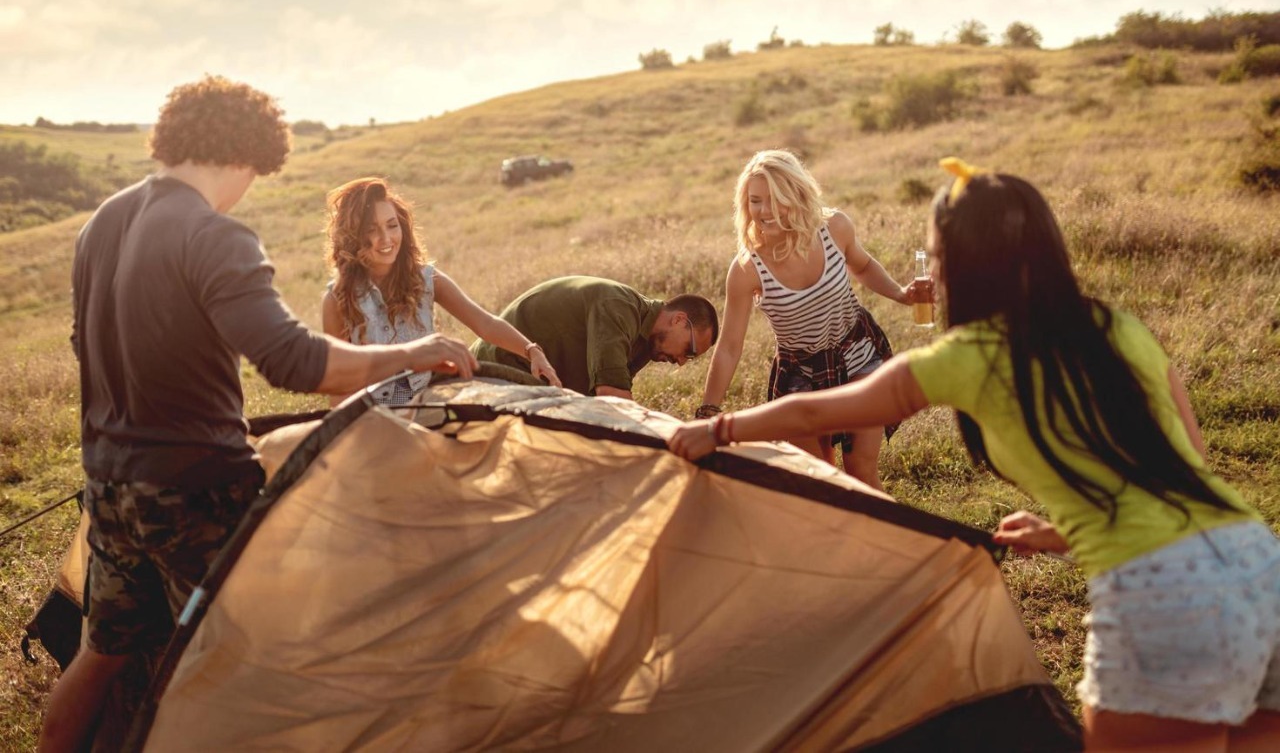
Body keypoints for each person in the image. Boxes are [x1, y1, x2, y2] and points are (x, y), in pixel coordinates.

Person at [669, 158, 1280, 751]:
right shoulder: (1117, 326)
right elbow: (1188, 470)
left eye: (937, 254)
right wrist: (1066, 529)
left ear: (961, 265)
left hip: (1166, 596)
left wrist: (718, 430)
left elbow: (812, 412)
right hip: (1256, 561)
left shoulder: (968, 357)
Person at [41, 76, 478, 753]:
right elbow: (293, 360)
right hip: (196, 489)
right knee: (261, 658)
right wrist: (419, 351)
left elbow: (83, 345)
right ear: (244, 153)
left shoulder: (103, 222)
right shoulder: (216, 234)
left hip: (108, 485)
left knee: (105, 653)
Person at [696, 149, 932, 489]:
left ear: (796, 195)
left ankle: (889, 541)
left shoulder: (834, 228)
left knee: (861, 474)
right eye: (755, 201)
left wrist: (900, 294)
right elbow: (730, 346)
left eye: (774, 199)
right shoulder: (747, 268)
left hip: (858, 358)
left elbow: (862, 266)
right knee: (822, 482)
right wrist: (708, 411)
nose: (763, 211)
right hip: (801, 378)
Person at [321, 176, 560, 405]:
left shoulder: (426, 278)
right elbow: (338, 379)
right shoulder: (337, 299)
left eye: (392, 226)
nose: (386, 239)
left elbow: (485, 324)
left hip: (430, 400)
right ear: (353, 236)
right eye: (371, 229)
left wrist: (532, 351)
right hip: (374, 413)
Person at [472, 276, 718, 400]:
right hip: (494, 371)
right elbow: (612, 398)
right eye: (690, 350)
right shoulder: (619, 307)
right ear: (678, 320)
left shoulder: (647, 342)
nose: (683, 361)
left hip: (532, 387)